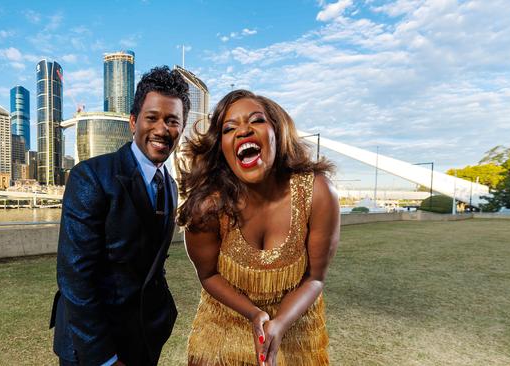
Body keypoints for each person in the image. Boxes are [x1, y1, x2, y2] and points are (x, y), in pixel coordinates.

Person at [177, 89, 340, 366]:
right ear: (222, 148)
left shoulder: (317, 193)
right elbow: (208, 275)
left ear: (277, 132)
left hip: (295, 330)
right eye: (229, 128)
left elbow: (315, 278)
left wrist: (279, 324)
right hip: (224, 328)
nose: (243, 131)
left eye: (257, 120)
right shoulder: (208, 208)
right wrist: (254, 314)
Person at [50, 66, 190, 366]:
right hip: (92, 349)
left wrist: (163, 315)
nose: (162, 129)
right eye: (152, 118)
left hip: (142, 338)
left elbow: (152, 266)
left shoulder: (171, 186)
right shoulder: (91, 177)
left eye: (172, 121)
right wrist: (106, 359)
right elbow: (75, 279)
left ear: (182, 127)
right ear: (132, 121)